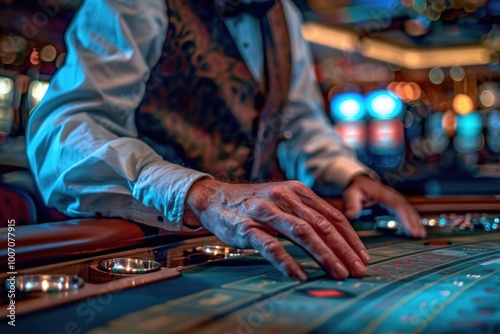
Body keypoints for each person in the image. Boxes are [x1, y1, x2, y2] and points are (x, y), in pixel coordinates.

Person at [26, 0, 426, 281]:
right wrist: (196, 192)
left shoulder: (283, 12)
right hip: (140, 258)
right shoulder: (137, 3)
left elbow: (301, 124)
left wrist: (350, 175)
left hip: (244, 254)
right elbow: (59, 133)